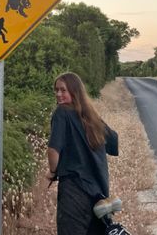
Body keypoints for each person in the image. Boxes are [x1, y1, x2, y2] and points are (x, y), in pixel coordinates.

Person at [47, 72, 121, 235]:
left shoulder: (61, 113)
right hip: (98, 195)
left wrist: (53, 171)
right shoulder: (91, 116)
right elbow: (114, 141)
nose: (58, 94)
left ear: (75, 92)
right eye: (56, 90)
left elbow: (53, 150)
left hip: (74, 191)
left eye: (63, 90)